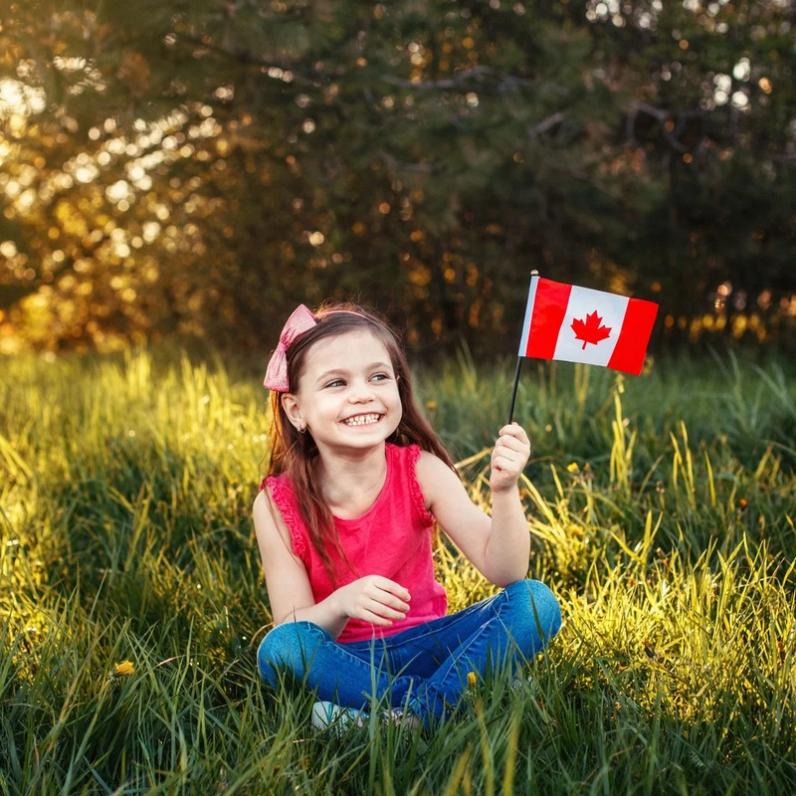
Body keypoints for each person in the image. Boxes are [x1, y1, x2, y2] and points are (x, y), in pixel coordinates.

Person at [252, 302, 561, 731]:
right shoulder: (277, 503)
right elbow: (291, 623)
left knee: (534, 601)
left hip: (433, 644)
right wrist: (341, 602)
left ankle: (395, 719)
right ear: (295, 410)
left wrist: (504, 491)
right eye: (336, 383)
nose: (363, 393)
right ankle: (454, 697)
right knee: (282, 649)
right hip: (347, 659)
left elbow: (505, 570)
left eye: (378, 376)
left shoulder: (421, 471)